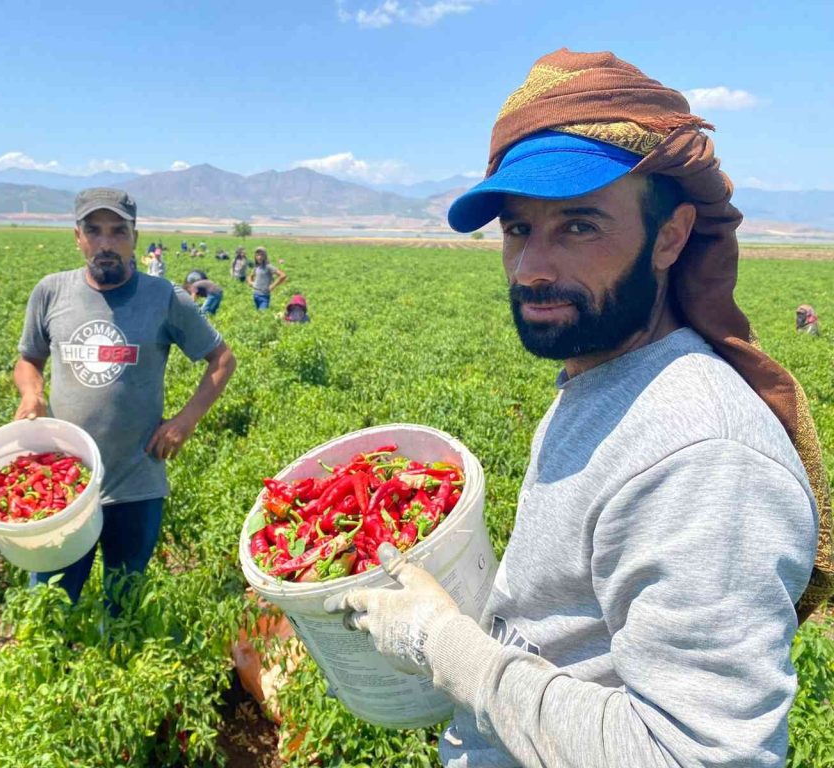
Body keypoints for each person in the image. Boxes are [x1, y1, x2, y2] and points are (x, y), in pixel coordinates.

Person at [324, 49, 832, 768]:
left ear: (671, 236)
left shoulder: (705, 457)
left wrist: (443, 646)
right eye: (518, 229)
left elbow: (693, 757)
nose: (532, 269)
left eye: (579, 226)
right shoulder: (604, 377)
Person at [13, 188, 236, 615]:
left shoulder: (164, 297)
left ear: (135, 238)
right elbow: (28, 360)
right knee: (50, 605)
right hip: (63, 485)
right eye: (94, 231)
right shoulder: (51, 292)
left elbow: (222, 359)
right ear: (77, 237)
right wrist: (31, 393)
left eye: (118, 231)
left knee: (124, 605)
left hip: (136, 482)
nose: (106, 242)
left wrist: (185, 421)